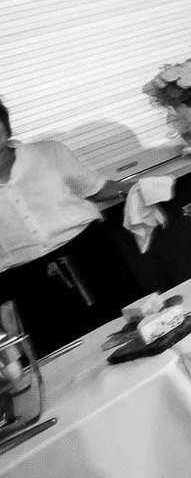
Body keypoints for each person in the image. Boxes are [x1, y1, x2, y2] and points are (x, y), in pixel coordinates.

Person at [0, 98, 142, 356]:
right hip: (27, 282)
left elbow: (96, 188)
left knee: (138, 331)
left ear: (5, 126)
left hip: (91, 255)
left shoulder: (48, 152)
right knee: (68, 359)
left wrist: (138, 188)